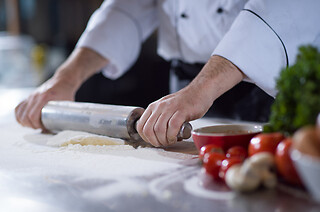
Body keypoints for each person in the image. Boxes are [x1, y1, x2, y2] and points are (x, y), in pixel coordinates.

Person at [15, 0, 320, 147]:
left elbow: (286, 7)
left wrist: (202, 89)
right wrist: (65, 79)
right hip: (187, 99)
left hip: (268, 88)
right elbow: (126, 8)